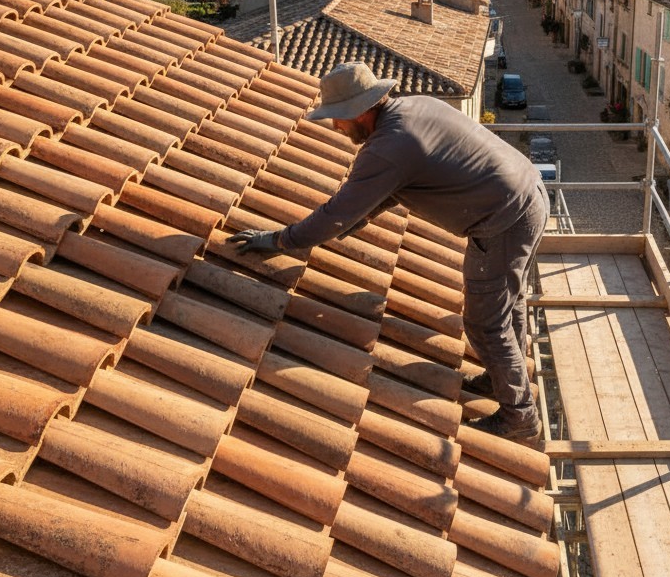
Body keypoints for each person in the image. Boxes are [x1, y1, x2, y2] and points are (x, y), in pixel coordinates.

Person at [229, 62, 549, 443]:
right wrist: (350, 223)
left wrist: (281, 240)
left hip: (504, 220)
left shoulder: (388, 148)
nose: (336, 127)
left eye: (338, 118)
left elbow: (337, 212)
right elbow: (383, 196)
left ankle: (519, 416)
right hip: (529, 195)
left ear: (360, 112)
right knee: (509, 302)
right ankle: (504, 380)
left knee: (485, 322)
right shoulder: (412, 109)